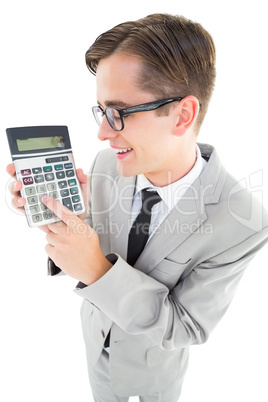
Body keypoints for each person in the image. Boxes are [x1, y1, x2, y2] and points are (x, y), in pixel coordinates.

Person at [7, 13, 268, 402]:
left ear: (183, 115)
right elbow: (92, 242)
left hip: (152, 378)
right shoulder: (106, 165)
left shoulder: (242, 222)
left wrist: (97, 268)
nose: (102, 133)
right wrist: (66, 218)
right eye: (100, 111)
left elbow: (186, 327)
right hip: (94, 348)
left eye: (119, 113)